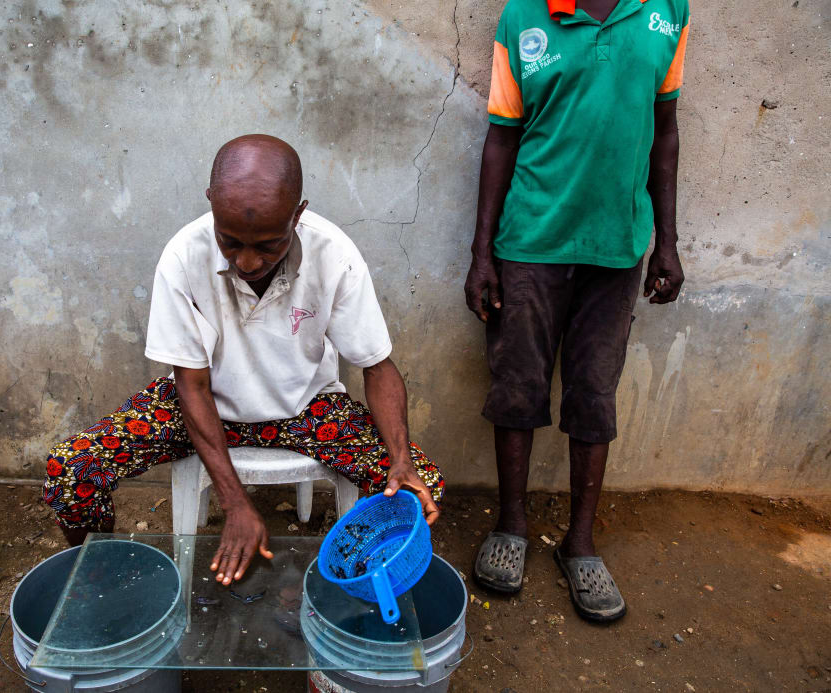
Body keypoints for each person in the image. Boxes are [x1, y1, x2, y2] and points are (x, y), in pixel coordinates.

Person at [43, 134, 443, 585]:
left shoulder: (335, 255)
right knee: (72, 470)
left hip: (307, 409)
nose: (247, 261)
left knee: (415, 489)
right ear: (211, 203)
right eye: (230, 242)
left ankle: (350, 587)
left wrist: (400, 459)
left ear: (299, 214)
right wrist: (235, 503)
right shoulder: (182, 256)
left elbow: (377, 365)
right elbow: (190, 384)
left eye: (268, 245)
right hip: (202, 404)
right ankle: (100, 580)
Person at [464, 0, 689, 621]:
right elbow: (502, 135)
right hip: (531, 240)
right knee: (517, 381)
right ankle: (511, 527)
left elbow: (663, 128)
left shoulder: (667, 12)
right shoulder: (523, 17)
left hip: (618, 246)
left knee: (594, 390)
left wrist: (665, 239)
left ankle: (580, 545)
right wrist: (482, 251)